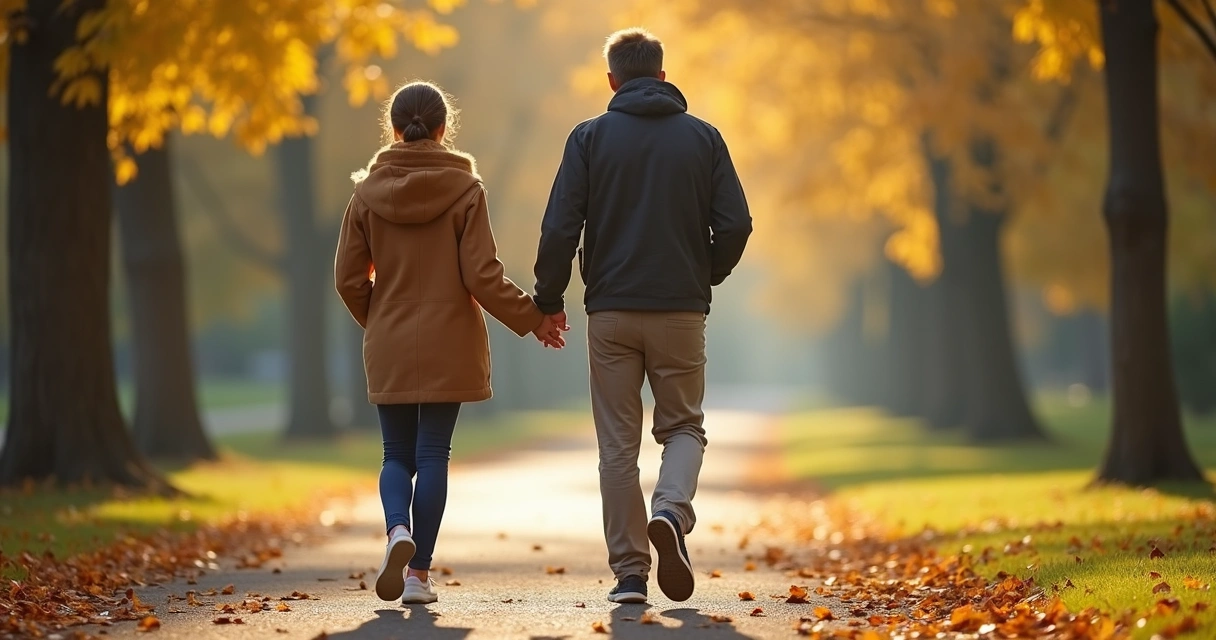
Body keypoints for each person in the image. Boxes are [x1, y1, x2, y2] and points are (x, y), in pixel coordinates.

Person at [532, 29, 752, 604]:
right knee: (683, 427)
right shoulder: (704, 138)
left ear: (612, 80)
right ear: (661, 75)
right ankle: (671, 511)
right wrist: (705, 273)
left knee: (617, 447)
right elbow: (736, 224)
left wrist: (548, 299)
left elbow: (559, 227)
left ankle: (630, 575)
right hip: (680, 309)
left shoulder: (588, 138)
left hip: (610, 311)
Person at [335, 81, 565, 606]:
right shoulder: (466, 190)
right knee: (433, 452)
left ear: (394, 128)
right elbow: (482, 275)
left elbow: (348, 279)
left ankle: (397, 529)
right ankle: (418, 576)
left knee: (396, 454)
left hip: (390, 341)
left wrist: (380, 320)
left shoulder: (365, 194)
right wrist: (534, 318)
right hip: (451, 343)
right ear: (443, 129)